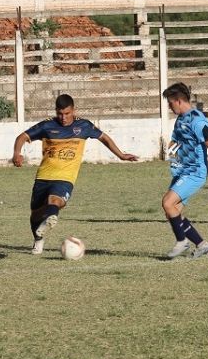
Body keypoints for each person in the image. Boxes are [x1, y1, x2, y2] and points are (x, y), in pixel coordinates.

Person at [11, 94, 138, 255]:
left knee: (55, 200)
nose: (63, 118)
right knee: (35, 215)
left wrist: (121, 155)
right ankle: (38, 238)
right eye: (60, 114)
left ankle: (51, 218)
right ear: (56, 111)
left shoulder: (83, 126)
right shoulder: (47, 126)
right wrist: (16, 153)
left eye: (67, 113)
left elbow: (104, 138)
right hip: (43, 176)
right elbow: (22, 137)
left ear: (74, 110)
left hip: (65, 177)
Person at [162, 82, 208, 259]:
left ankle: (182, 241)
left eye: (170, 103)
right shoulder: (181, 118)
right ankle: (202, 244)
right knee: (172, 211)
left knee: (167, 203)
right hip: (182, 171)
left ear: (179, 100)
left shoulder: (198, 121)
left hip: (194, 172)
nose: (169, 107)